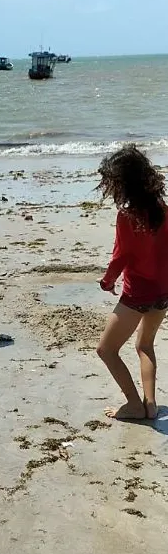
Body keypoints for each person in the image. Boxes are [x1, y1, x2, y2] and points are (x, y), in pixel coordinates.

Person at [97, 144, 168, 420]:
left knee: (106, 350)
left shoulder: (126, 216)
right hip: (163, 292)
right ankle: (151, 404)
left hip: (137, 295)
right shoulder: (163, 209)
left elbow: (122, 255)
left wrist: (107, 280)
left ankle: (133, 404)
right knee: (144, 346)